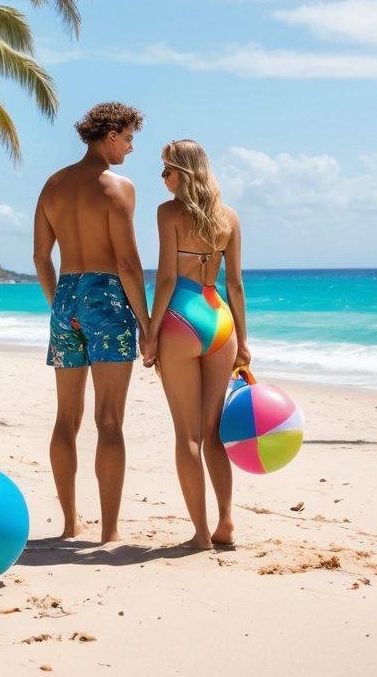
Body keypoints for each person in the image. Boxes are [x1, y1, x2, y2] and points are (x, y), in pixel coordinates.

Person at [33, 102, 150, 543]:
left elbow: (41, 257)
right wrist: (147, 322)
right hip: (106, 299)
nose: (131, 148)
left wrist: (59, 306)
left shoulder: (53, 185)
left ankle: (69, 524)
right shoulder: (118, 188)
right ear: (112, 134)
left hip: (66, 297)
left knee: (67, 418)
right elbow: (127, 263)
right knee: (109, 421)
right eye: (129, 138)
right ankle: (111, 531)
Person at [144, 139, 251, 550]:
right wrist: (243, 340)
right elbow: (236, 284)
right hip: (219, 319)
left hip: (181, 318)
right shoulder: (230, 217)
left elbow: (167, 279)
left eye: (167, 170)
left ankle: (202, 535)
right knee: (213, 435)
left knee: (187, 436)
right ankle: (226, 522)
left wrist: (151, 335)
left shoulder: (168, 213)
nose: (163, 178)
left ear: (183, 173)